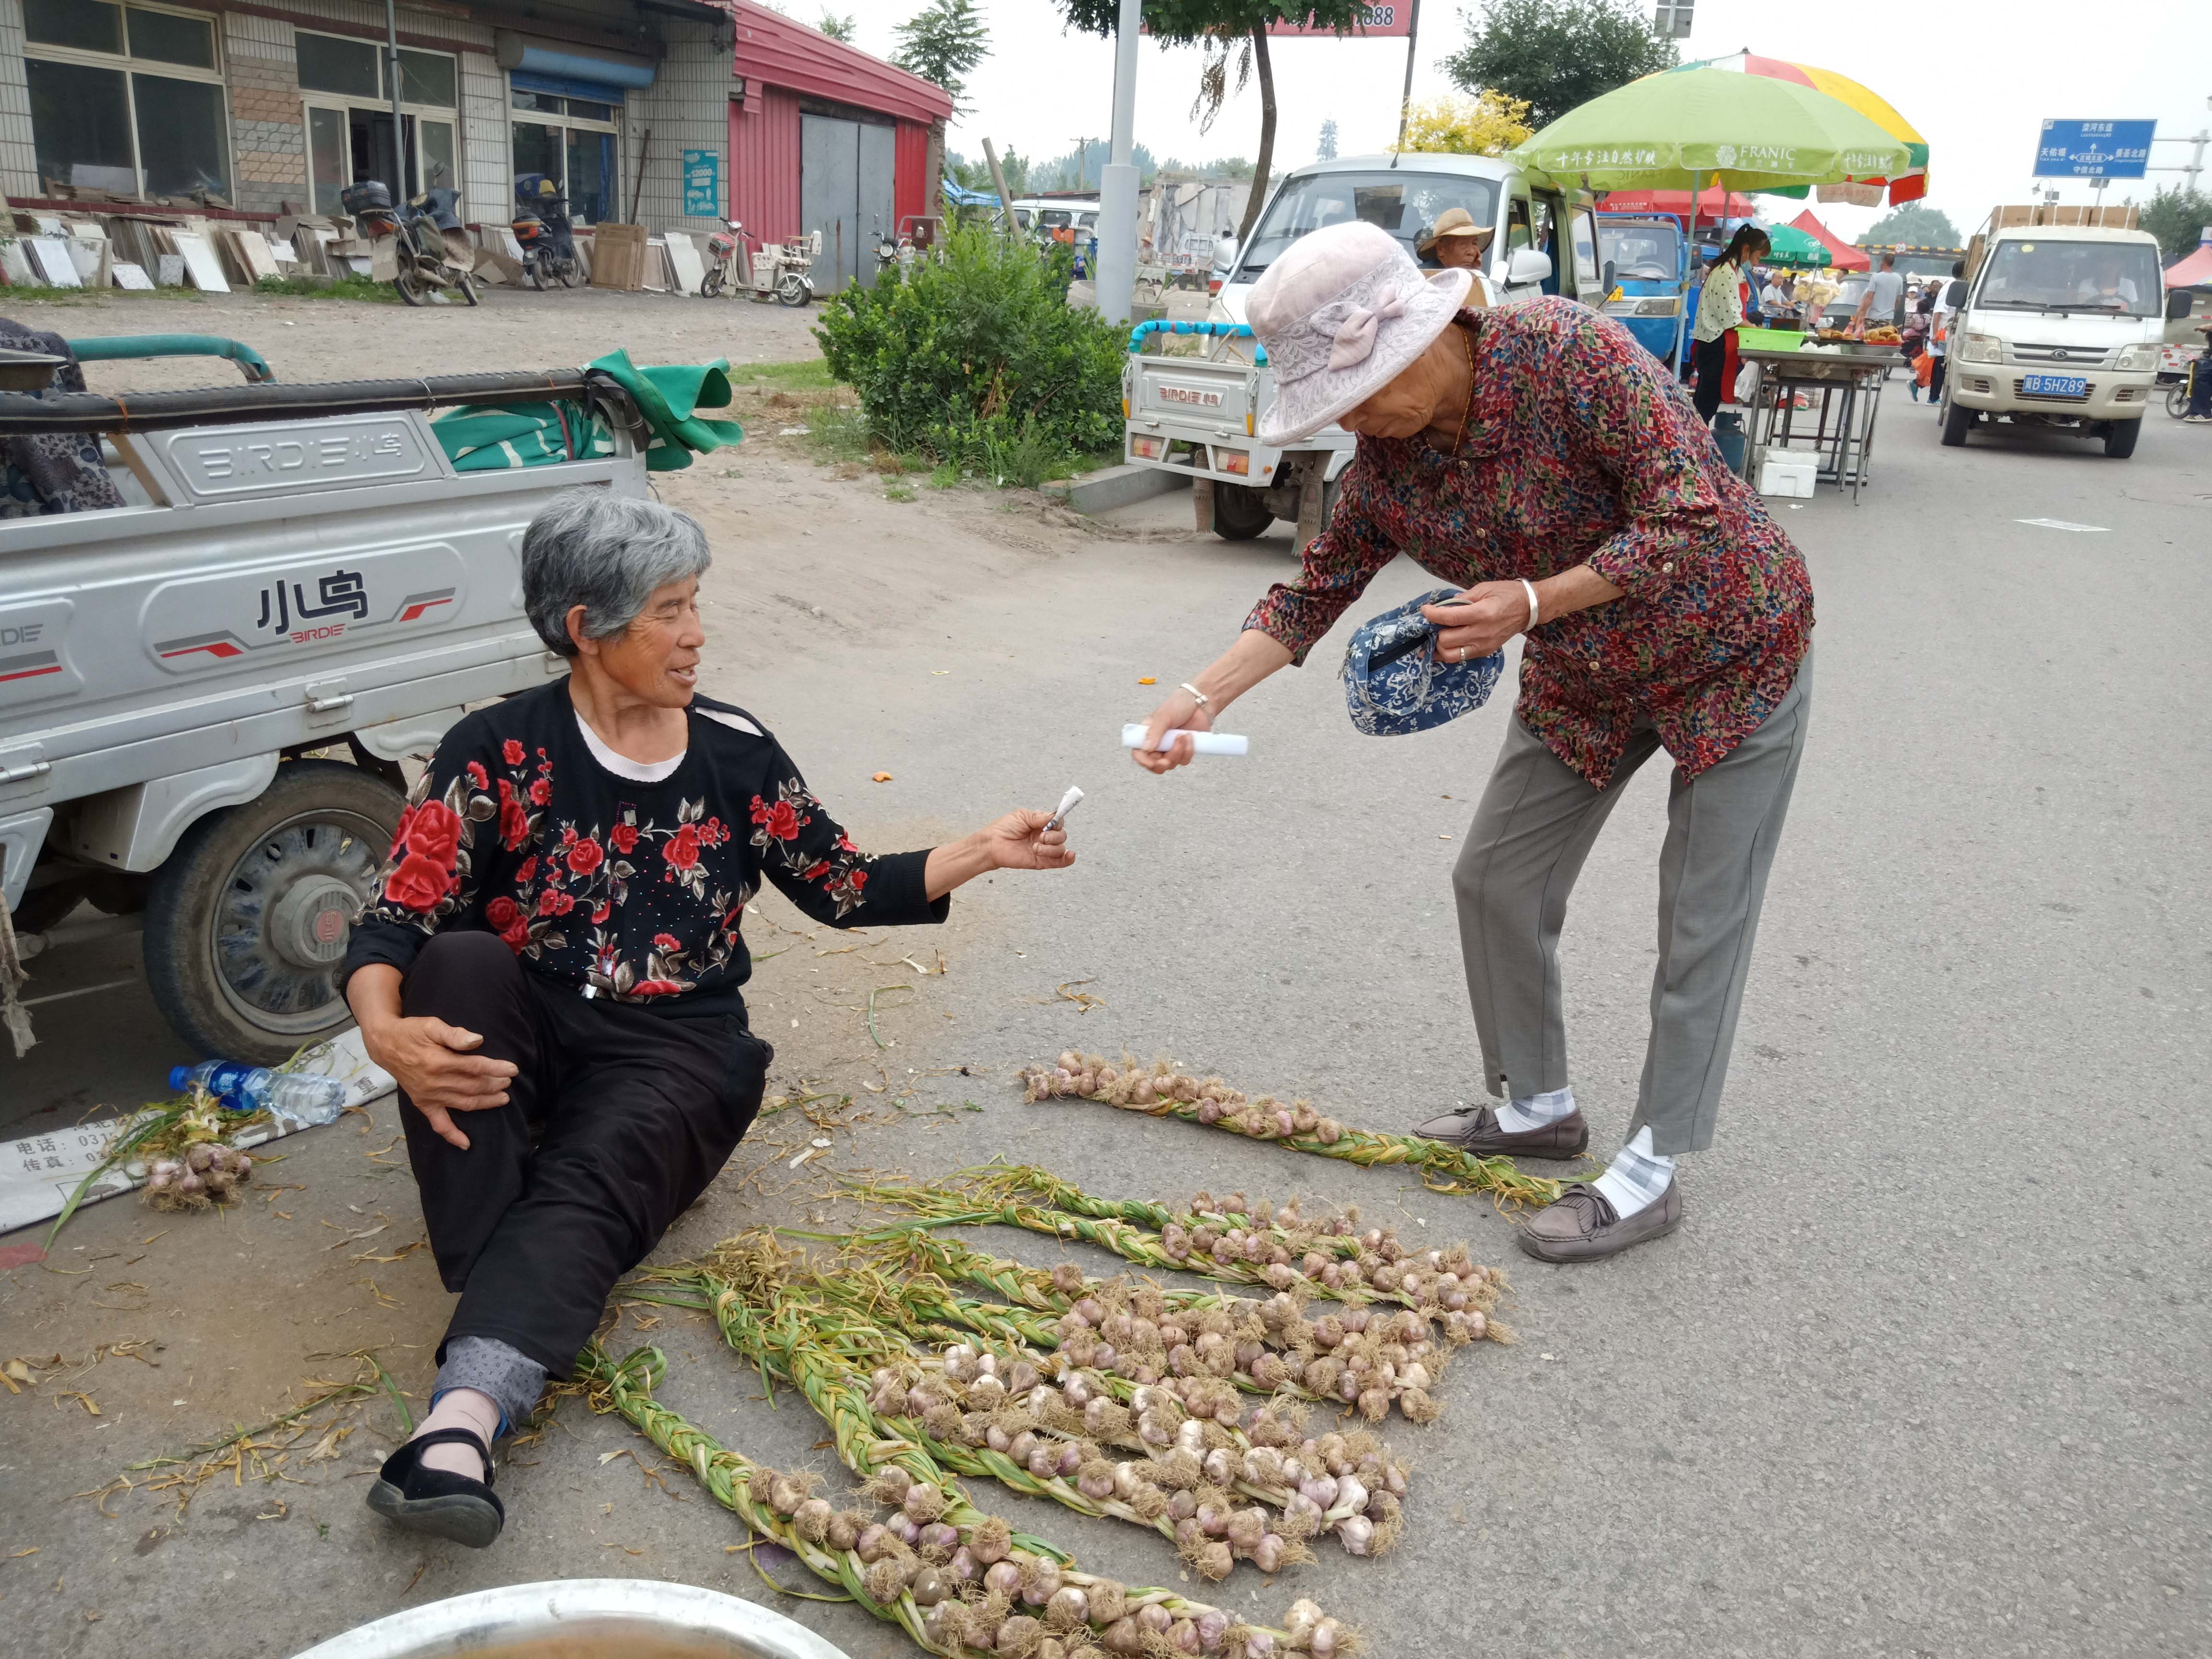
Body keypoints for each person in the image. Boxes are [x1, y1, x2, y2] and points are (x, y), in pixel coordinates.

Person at [342, 491, 1074, 1547]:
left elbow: (841, 884)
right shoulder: (496, 748)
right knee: (453, 964)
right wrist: (384, 1031)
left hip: (675, 1047)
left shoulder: (733, 752)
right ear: (586, 628)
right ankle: (538, 1248)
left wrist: (984, 850)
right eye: (669, 611)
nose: (697, 635)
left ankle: (462, 1419)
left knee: (593, 1175)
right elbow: (394, 920)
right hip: (533, 1015)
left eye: (696, 605)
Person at [1134, 222, 1814, 1265]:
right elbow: (1317, 589)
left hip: (1730, 649)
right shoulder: (1390, 463)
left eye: (1362, 391)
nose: (1355, 419)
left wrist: (1538, 599)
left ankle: (1652, 1167)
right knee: (1494, 877)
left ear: (1437, 328)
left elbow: (1694, 518)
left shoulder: (1569, 357)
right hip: (1586, 678)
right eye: (1336, 405)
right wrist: (1200, 693)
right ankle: (1540, 1105)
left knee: (1699, 918)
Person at [1689, 224, 1768, 422]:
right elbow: (1733, 319)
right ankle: (1697, 448)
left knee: (1705, 405)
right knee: (1704, 407)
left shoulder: (1734, 271)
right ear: (1746, 249)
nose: (1757, 262)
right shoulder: (1725, 273)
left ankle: (1698, 446)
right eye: (1758, 256)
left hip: (1718, 344)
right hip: (1715, 345)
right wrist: (1760, 332)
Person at [1927, 259, 1962, 409]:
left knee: (1940, 365)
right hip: (1942, 333)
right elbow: (1938, 312)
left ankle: (1928, 392)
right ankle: (1933, 397)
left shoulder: (1955, 286)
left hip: (1947, 332)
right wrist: (1935, 334)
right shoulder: (1950, 288)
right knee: (1940, 366)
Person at [1416, 206, 1494, 273]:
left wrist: (1476, 275)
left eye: (1474, 244)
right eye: (1463, 244)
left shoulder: (1467, 277)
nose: (1472, 252)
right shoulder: (1423, 280)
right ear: (1441, 249)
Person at [1849, 252, 1904, 337]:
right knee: (1884, 341)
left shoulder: (1875, 277)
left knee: (1870, 340)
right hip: (1888, 318)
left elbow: (1869, 297)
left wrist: (1863, 314)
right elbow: (1898, 300)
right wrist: (1892, 310)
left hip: (1873, 317)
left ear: (1883, 262)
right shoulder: (1899, 279)